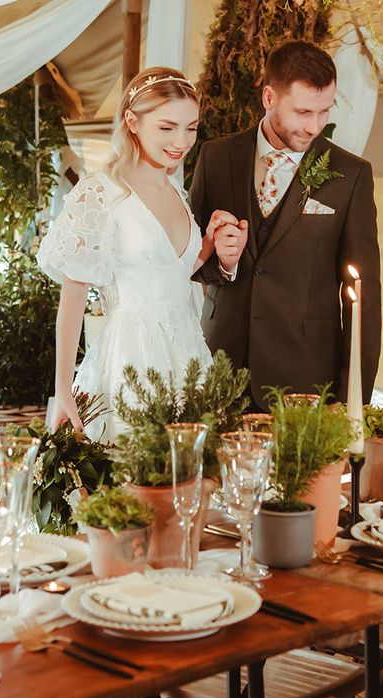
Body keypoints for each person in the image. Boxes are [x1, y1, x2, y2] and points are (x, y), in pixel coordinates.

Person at [37, 67, 246, 441]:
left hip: (188, 353)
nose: (181, 141)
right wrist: (62, 389)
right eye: (167, 128)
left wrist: (209, 246)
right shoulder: (100, 193)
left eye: (191, 128)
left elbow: (172, 274)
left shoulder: (177, 194)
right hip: (131, 357)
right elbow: (73, 296)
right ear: (132, 121)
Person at [190, 39, 381, 408]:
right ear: (269, 98)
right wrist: (222, 263)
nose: (314, 126)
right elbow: (187, 258)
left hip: (305, 378)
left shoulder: (351, 175)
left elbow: (363, 296)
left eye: (325, 111)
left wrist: (353, 402)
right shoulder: (215, 158)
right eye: (303, 112)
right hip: (220, 368)